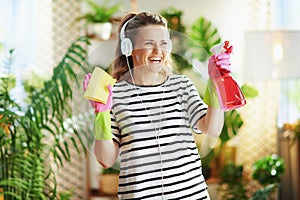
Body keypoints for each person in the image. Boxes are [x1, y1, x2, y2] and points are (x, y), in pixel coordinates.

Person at [84, 11, 230, 200]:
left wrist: (215, 82)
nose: (158, 51)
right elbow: (106, 159)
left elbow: (212, 128)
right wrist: (101, 114)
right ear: (129, 47)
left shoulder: (181, 86)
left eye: (163, 43)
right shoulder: (115, 94)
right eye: (149, 43)